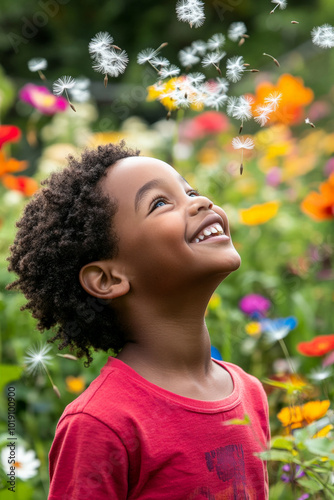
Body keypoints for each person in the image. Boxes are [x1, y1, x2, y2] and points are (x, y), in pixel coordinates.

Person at [7, 142, 270, 499]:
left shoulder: (249, 392)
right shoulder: (101, 424)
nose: (201, 201)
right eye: (160, 203)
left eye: (190, 190)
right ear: (108, 279)